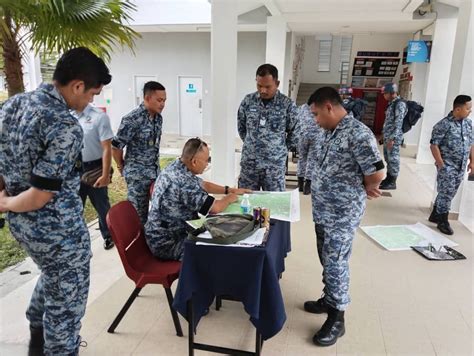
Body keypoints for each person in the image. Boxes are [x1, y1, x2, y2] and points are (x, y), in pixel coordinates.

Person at [0, 47, 111, 355]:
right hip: (58, 235)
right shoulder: (64, 125)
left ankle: (36, 337)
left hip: (24, 229)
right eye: (91, 94)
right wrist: (4, 203)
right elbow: (39, 196)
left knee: (52, 276)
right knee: (66, 319)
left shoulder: (12, 106)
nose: (90, 102)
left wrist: (6, 198)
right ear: (77, 86)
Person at [304, 87, 384, 347]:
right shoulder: (329, 131)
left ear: (329, 107)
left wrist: (366, 185)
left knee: (336, 262)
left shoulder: (359, 134)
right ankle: (329, 298)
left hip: (342, 212)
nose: (315, 120)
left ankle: (337, 318)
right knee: (326, 257)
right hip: (323, 210)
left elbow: (376, 174)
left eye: (316, 114)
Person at [145, 138, 251, 260]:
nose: (207, 164)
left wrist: (229, 190)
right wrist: (230, 198)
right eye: (207, 160)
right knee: (221, 250)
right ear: (194, 162)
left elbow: (204, 185)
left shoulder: (177, 166)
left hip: (163, 233)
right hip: (169, 242)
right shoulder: (184, 183)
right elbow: (215, 208)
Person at [237, 63, 299, 191]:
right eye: (259, 86)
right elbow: (241, 128)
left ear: (277, 83)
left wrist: (280, 149)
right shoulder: (248, 101)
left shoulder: (287, 105)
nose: (263, 90)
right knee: (246, 202)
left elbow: (295, 132)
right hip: (250, 164)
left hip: (274, 167)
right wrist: (252, 144)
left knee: (274, 204)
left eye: (267, 86)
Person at [112, 81, 166, 225]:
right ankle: (138, 245)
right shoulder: (132, 119)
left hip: (154, 173)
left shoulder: (158, 119)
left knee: (159, 212)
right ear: (147, 98)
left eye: (164, 100)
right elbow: (116, 146)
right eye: (159, 100)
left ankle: (152, 242)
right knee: (138, 216)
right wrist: (120, 165)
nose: (162, 104)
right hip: (137, 176)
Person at [428, 95, 473, 235]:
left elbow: (471, 144)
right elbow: (434, 145)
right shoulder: (443, 125)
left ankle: (435, 213)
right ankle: (442, 220)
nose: (470, 111)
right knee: (446, 193)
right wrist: (441, 163)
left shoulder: (468, 124)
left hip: (461, 166)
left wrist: (472, 161)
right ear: (458, 109)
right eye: (468, 108)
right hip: (447, 165)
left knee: (450, 192)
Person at [74, 103, 115, 250]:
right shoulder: (66, 115)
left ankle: (109, 235)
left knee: (101, 204)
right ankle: (76, 240)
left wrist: (105, 175)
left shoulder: (98, 116)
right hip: (73, 169)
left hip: (95, 167)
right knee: (74, 207)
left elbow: (107, 148)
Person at [379, 82, 407, 190]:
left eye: (385, 93)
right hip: (388, 136)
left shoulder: (400, 104)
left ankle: (392, 181)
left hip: (393, 138)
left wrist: (392, 138)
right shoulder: (392, 103)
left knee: (393, 159)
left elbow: (398, 123)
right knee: (388, 158)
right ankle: (388, 178)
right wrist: (383, 134)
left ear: (392, 93)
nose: (384, 96)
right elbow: (388, 122)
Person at [297, 101, 324, 195]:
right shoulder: (319, 107)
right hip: (316, 136)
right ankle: (307, 185)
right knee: (312, 159)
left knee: (302, 158)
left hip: (302, 135)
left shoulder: (301, 108)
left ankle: (300, 184)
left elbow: (296, 121)